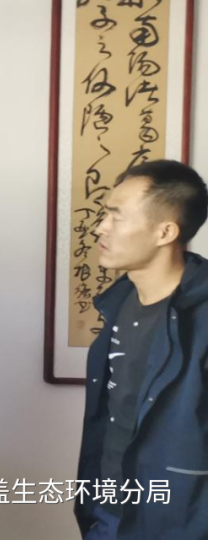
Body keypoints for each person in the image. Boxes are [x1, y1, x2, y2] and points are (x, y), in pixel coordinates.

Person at [75, 160, 208, 539]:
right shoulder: (118, 303)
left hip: (178, 524)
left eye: (117, 216)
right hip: (108, 511)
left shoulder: (201, 316)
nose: (101, 227)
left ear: (165, 231)